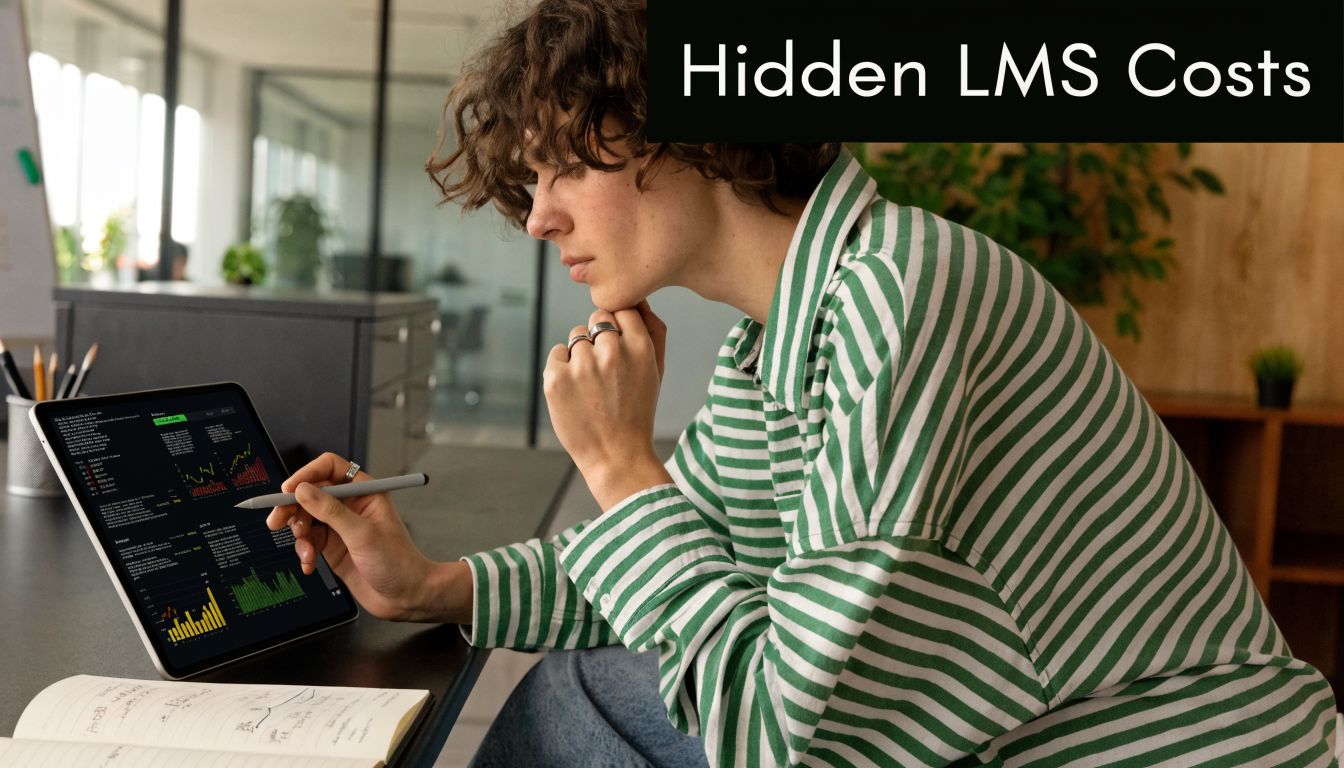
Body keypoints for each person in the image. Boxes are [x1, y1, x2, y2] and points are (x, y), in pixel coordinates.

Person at [268, 1, 1340, 765]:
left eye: (561, 167)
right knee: (591, 683)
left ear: (674, 126)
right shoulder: (773, 340)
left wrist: (622, 466)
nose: (540, 217)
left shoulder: (896, 294)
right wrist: (432, 585)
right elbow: (689, 568)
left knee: (583, 700)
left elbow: (786, 735)